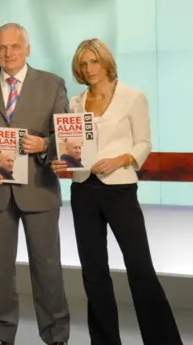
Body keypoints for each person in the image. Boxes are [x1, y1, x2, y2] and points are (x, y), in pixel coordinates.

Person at [52, 38, 183, 345]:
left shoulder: (132, 97)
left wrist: (119, 160)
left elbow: (144, 144)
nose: (89, 68)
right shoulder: (75, 103)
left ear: (106, 62)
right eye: (83, 64)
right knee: (93, 273)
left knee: (140, 268)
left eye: (94, 61)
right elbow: (74, 151)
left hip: (120, 190)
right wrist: (64, 165)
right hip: (83, 191)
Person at [0, 23, 70, 345]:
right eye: (2, 48)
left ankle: (56, 336)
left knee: (48, 270)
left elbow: (63, 136)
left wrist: (45, 145)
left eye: (15, 47)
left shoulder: (52, 84)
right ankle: (3, 336)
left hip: (39, 190)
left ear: (28, 49)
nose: (8, 54)